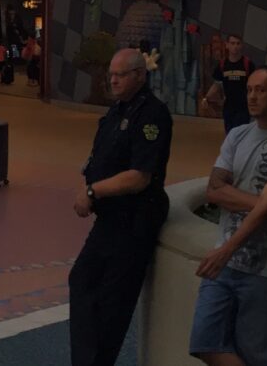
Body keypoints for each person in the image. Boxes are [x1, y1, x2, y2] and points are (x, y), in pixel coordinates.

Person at [189, 65, 267, 366]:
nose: (252, 97)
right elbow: (215, 190)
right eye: (249, 90)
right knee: (204, 341)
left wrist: (227, 249)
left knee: (261, 356)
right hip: (225, 265)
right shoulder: (237, 136)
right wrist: (263, 203)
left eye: (261, 90)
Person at [69, 47, 173, 366]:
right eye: (111, 74)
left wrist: (92, 190)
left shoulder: (151, 114)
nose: (113, 80)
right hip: (110, 219)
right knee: (82, 280)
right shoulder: (116, 111)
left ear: (139, 75)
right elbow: (99, 157)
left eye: (120, 74)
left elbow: (139, 177)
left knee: (113, 303)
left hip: (133, 222)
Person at [203, 35, 252, 132]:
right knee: (229, 134)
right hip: (229, 107)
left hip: (243, 107)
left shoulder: (248, 64)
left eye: (238, 43)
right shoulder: (222, 65)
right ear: (227, 45)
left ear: (241, 45)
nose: (235, 46)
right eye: (232, 43)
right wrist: (206, 98)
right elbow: (217, 84)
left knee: (241, 134)